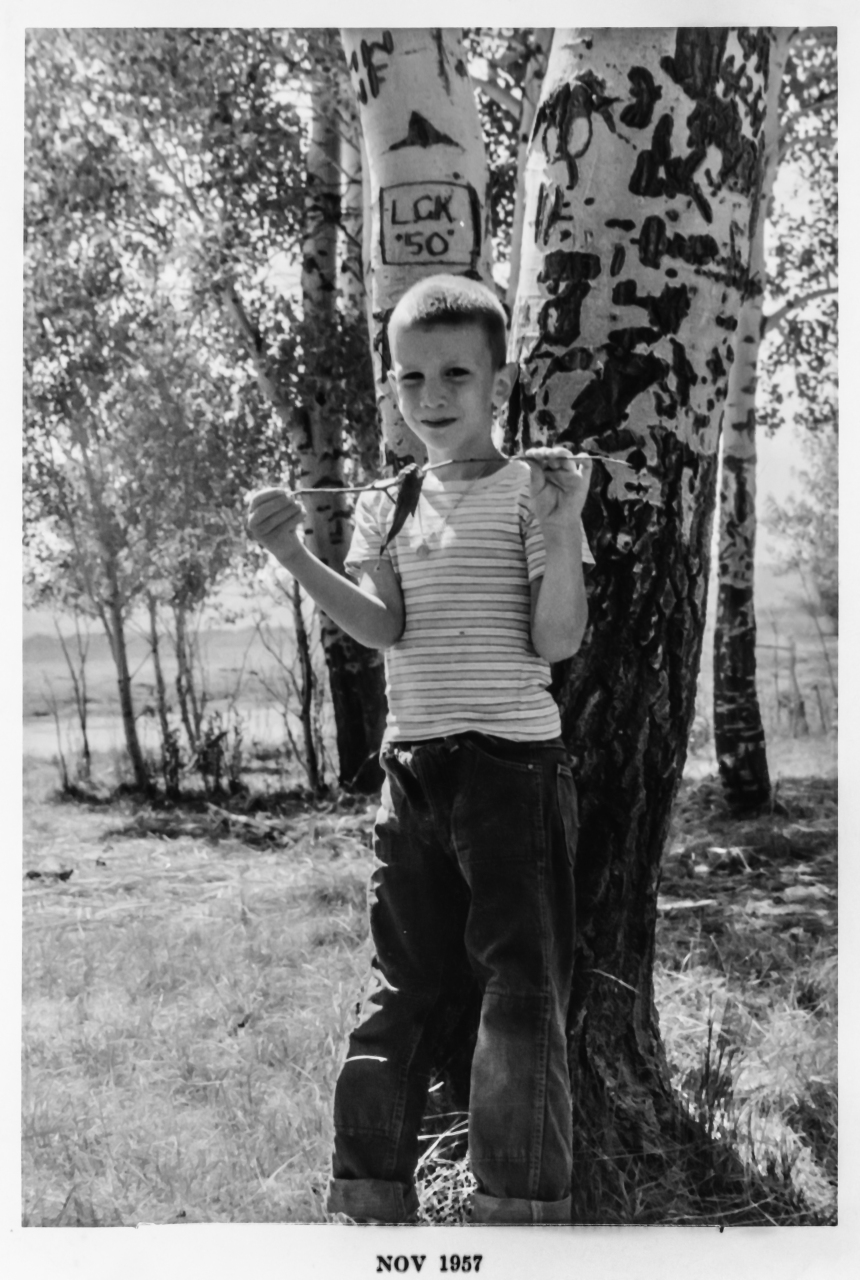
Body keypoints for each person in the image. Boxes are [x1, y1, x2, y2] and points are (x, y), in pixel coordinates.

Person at [246, 273, 593, 1224]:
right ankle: (368, 1204)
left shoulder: (534, 492)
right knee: (398, 987)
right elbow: (382, 627)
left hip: (512, 771)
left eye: (455, 375)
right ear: (392, 386)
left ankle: (518, 1217)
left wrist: (564, 526)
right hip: (414, 773)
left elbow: (557, 640)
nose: (432, 396)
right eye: (411, 378)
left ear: (499, 383)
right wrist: (294, 555)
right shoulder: (388, 503)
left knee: (519, 988)